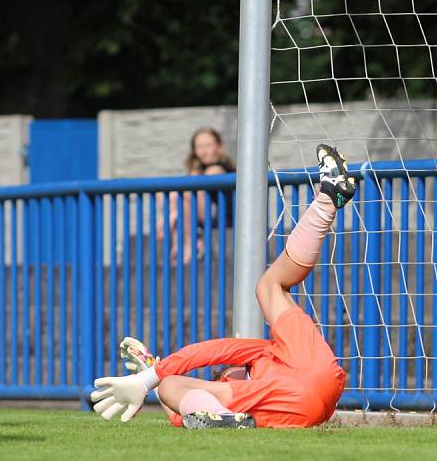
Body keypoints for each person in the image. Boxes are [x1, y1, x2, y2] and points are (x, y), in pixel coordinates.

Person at [92, 144, 356, 429]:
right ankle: (327, 200)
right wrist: (150, 380)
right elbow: (195, 392)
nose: (222, 375)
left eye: (221, 376)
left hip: (306, 401)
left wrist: (150, 377)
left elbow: (202, 369)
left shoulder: (264, 355)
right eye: (220, 378)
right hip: (321, 380)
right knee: (269, 287)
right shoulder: (263, 361)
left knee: (172, 385)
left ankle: (327, 198)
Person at [161, 127, 236, 264]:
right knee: (176, 197)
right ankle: (187, 246)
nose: (203, 151)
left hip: (225, 217)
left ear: (219, 147)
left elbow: (198, 185)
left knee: (184, 193)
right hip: (205, 215)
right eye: (199, 146)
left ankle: (183, 240)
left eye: (208, 145)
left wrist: (168, 215)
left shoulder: (218, 167)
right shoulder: (197, 170)